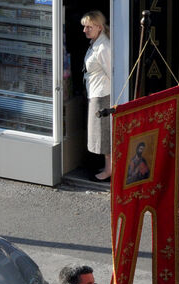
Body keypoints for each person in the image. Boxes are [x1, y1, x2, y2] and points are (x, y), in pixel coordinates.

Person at [82, 10, 112, 181]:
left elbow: (111, 73)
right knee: (100, 132)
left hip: (102, 94)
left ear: (99, 27)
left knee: (103, 133)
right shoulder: (95, 43)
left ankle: (109, 170)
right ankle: (109, 167)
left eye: (89, 27)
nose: (85, 30)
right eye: (84, 26)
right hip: (95, 92)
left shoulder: (103, 47)